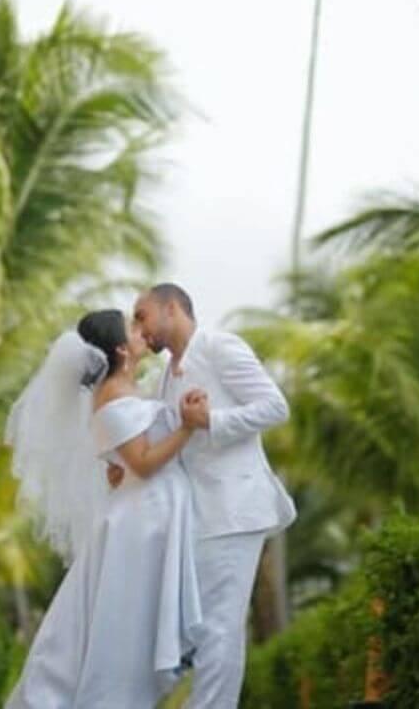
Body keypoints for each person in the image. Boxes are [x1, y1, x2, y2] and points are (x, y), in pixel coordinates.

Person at [4, 309, 208, 708]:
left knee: (125, 626)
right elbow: (145, 462)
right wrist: (187, 426)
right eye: (133, 328)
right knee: (122, 631)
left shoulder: (127, 390)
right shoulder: (112, 397)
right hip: (139, 524)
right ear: (120, 348)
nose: (141, 330)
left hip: (148, 514)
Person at [124, 283, 298, 708]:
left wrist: (211, 420)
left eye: (142, 315)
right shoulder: (166, 375)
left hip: (236, 509)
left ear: (171, 308)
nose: (138, 327)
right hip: (197, 517)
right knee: (199, 628)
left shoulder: (220, 347)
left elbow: (275, 406)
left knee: (220, 626)